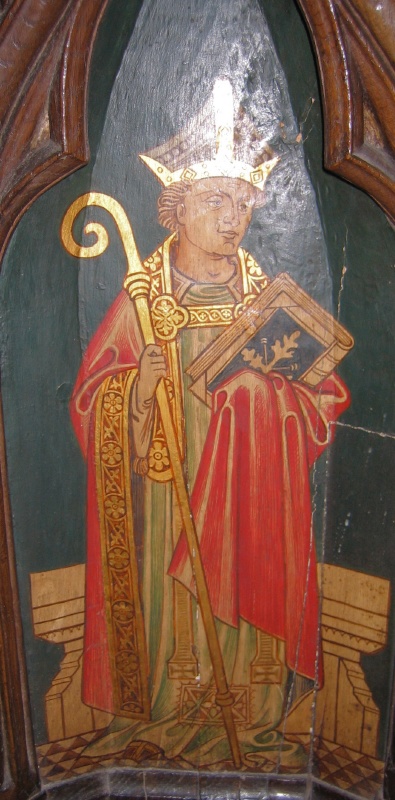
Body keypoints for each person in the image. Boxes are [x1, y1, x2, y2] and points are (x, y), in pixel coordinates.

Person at [70, 80, 350, 769]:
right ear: (174, 210)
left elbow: (324, 398)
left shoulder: (267, 304)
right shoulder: (143, 305)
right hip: (167, 498)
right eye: (213, 200)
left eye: (243, 201)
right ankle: (163, 725)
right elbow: (89, 405)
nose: (233, 218)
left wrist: (264, 403)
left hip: (252, 507)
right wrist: (139, 388)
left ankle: (255, 725)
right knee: (174, 609)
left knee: (241, 615)